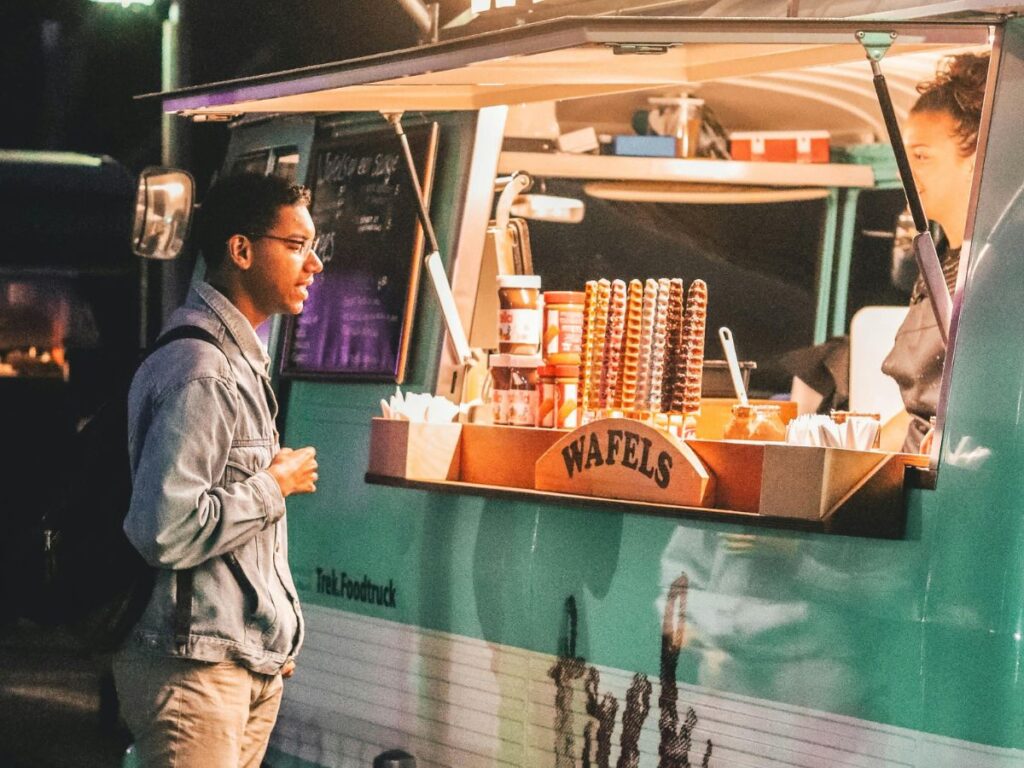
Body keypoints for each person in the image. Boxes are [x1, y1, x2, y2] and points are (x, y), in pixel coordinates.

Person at [112, 172, 323, 767]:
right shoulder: (202, 369)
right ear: (241, 250)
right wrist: (272, 486)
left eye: (315, 247)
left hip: (237, 664)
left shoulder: (235, 362)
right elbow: (164, 526)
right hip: (192, 669)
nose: (314, 265)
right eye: (297, 245)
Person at [882, 52, 989, 452]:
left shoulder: (1001, 270)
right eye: (904, 158)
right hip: (914, 481)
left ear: (975, 162)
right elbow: (917, 417)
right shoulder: (936, 262)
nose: (904, 173)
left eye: (921, 156)